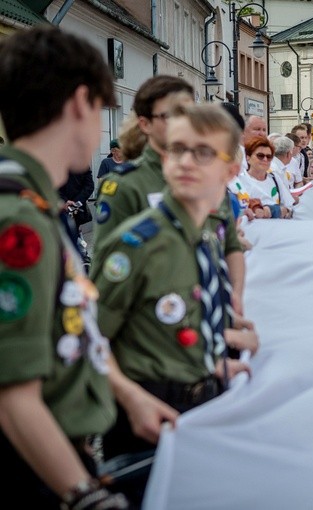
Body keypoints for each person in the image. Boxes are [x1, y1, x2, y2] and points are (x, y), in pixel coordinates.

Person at [92, 103, 256, 506]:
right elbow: (89, 339)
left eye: (201, 153)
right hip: (145, 415)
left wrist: (215, 359)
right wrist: (131, 398)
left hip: (202, 404)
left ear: (230, 170)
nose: (184, 161)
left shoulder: (205, 238)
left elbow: (175, 323)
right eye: (177, 149)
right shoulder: (138, 244)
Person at [0, 25, 129, 509]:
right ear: (80, 103)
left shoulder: (36, 205)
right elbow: (12, 393)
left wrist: (130, 398)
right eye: (100, 111)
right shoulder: (20, 220)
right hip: (36, 468)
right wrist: (84, 494)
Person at [94, 76, 246, 314]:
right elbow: (111, 272)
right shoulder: (126, 185)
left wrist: (234, 300)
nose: (182, 121)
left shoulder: (209, 176)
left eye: (187, 112)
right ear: (145, 124)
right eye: (170, 115)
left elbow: (230, 246)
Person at [240, 135, 294, 218]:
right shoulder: (240, 181)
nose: (265, 159)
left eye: (269, 157)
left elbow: (289, 206)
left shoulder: (274, 178)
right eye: (260, 156)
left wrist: (273, 211)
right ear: (248, 157)